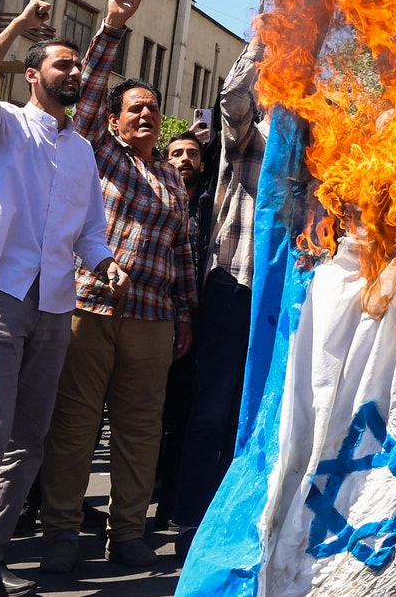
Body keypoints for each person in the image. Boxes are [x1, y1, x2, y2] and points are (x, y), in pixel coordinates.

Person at [0, 0, 128, 597]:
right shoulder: (1, 126)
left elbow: (91, 231)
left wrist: (106, 263)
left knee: (27, 441)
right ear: (32, 74)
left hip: (55, 304)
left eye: (78, 66)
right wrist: (19, 25)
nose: (73, 73)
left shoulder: (82, 151)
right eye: (61, 65)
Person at [38, 0, 197, 573]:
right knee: (75, 422)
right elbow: (96, 81)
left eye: (155, 109)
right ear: (114, 120)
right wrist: (114, 23)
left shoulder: (174, 180)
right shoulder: (99, 152)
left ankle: (127, 531)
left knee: (139, 428)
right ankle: (59, 529)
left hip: (154, 319)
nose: (149, 115)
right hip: (90, 306)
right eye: (137, 108)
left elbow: (182, 253)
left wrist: (185, 317)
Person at [170, 28, 266, 561]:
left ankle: (246, 522)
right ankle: (190, 523)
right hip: (235, 283)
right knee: (212, 410)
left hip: (288, 295)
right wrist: (263, 41)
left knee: (261, 413)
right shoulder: (250, 135)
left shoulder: (328, 146)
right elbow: (232, 99)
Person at [154, 131, 212, 530]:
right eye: (176, 153)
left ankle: (173, 501)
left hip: (199, 324)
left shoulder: (212, 206)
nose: (185, 159)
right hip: (155, 316)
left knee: (185, 414)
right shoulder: (155, 201)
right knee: (150, 416)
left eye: (193, 153)